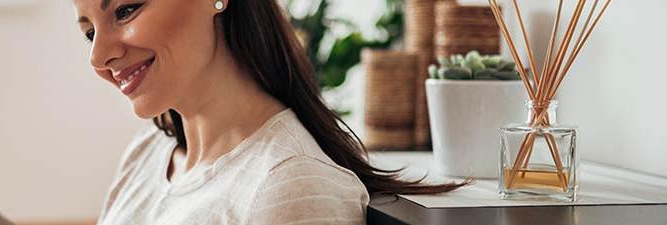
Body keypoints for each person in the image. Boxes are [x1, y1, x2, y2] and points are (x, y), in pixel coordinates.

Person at [73, 0, 462, 224]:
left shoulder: (292, 187)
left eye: (125, 10)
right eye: (89, 31)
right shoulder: (147, 155)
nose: (99, 56)